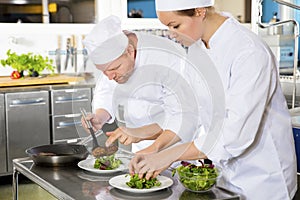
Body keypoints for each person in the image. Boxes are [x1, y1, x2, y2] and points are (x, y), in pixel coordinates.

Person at [128, 1, 298, 199]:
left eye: (175, 26)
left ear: (200, 11)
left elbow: (234, 135)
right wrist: (155, 148)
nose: (171, 34)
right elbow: (191, 113)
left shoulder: (248, 51)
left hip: (262, 180)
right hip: (224, 177)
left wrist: (170, 155)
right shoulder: (196, 50)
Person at [81, 15, 204, 154]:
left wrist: (142, 136)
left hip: (178, 147)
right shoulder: (114, 59)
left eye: (114, 69)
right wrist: (99, 117)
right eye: (104, 72)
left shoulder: (168, 57)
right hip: (139, 144)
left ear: (129, 51)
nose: (109, 77)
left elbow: (184, 116)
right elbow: (107, 91)